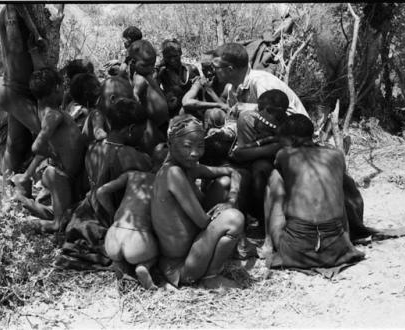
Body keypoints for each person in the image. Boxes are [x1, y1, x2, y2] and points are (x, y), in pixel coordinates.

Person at [59, 81, 153, 269]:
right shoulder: (132, 156)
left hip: (88, 210)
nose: (143, 136)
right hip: (111, 215)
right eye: (142, 132)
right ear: (131, 129)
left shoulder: (93, 147)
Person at [151, 114, 245, 288]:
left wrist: (231, 198)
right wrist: (227, 210)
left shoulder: (188, 167)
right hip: (182, 267)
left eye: (200, 146)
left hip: (192, 252)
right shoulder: (172, 173)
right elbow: (202, 222)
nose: (195, 153)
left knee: (223, 184)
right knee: (234, 218)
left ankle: (225, 253)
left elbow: (232, 172)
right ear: (170, 145)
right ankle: (210, 277)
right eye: (187, 146)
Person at [263, 114, 365, 269]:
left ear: (292, 139)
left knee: (274, 178)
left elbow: (281, 174)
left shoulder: (284, 155)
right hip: (336, 249)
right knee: (341, 181)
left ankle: (268, 242)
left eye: (282, 141)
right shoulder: (336, 155)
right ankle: (348, 238)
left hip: (297, 251)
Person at [0, 4, 47, 203]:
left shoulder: (12, 13)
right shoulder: (11, 13)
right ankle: (29, 181)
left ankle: (7, 187)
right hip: (12, 91)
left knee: (15, 144)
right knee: (47, 133)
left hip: (12, 90)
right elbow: (15, 46)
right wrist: (35, 41)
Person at [12, 68, 87, 233]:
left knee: (64, 213)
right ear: (57, 88)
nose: (65, 91)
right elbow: (36, 146)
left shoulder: (46, 109)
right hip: (59, 175)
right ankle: (24, 220)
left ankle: (23, 201)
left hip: (63, 174)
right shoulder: (54, 115)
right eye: (63, 87)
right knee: (59, 224)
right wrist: (55, 156)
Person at [229, 89, 289, 238]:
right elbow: (242, 154)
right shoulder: (248, 119)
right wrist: (269, 149)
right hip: (253, 164)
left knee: (263, 169)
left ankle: (267, 223)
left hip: (280, 165)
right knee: (255, 171)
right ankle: (255, 220)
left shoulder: (287, 124)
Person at [97, 170, 158, 290]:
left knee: (118, 258)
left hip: (114, 234)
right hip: (138, 239)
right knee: (157, 253)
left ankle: (118, 265)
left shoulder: (131, 175)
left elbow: (101, 191)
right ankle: (144, 266)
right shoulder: (164, 180)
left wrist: (112, 213)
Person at [212, 43, 308, 117]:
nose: (213, 70)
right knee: (214, 115)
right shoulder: (232, 90)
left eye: (216, 67)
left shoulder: (262, 82)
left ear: (230, 69)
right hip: (267, 135)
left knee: (246, 117)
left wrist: (250, 108)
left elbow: (285, 114)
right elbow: (235, 121)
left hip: (296, 135)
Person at [126, 39, 169, 154]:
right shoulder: (140, 78)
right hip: (151, 122)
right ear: (133, 63)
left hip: (160, 121)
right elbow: (134, 95)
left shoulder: (146, 74)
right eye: (146, 65)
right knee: (155, 147)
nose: (150, 68)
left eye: (152, 64)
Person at [157, 39, 200, 118]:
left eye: (175, 56)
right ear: (163, 56)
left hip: (191, 109)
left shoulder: (191, 69)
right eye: (168, 57)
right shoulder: (162, 73)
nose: (172, 60)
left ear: (180, 53)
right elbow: (155, 90)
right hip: (172, 111)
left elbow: (200, 93)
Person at [68, 73, 107, 143]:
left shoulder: (88, 116)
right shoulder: (96, 114)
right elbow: (100, 134)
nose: (101, 86)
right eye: (98, 85)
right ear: (95, 90)